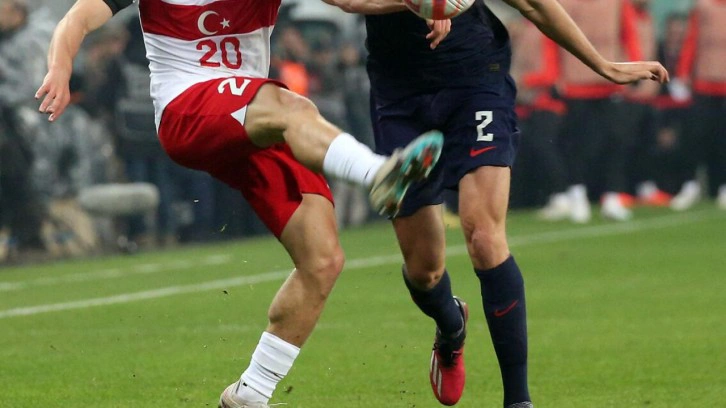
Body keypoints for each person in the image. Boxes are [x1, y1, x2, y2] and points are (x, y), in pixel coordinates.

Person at [35, 1, 448, 408]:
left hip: (255, 122)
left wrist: (416, 4)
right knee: (292, 106)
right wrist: (60, 66)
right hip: (188, 111)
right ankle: (378, 174)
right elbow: (78, 17)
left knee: (322, 261)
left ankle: (250, 393)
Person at [326, 0, 668, 407]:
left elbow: (535, 6)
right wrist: (420, 3)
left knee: (485, 237)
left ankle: (518, 400)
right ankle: (451, 325)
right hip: (400, 94)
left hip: (475, 81)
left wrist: (603, 65)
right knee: (424, 270)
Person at [671, 0, 726, 211]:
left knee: (723, 140)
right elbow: (691, 40)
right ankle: (690, 184)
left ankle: (722, 187)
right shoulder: (702, 7)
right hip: (704, 84)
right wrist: (683, 72)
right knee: (695, 138)